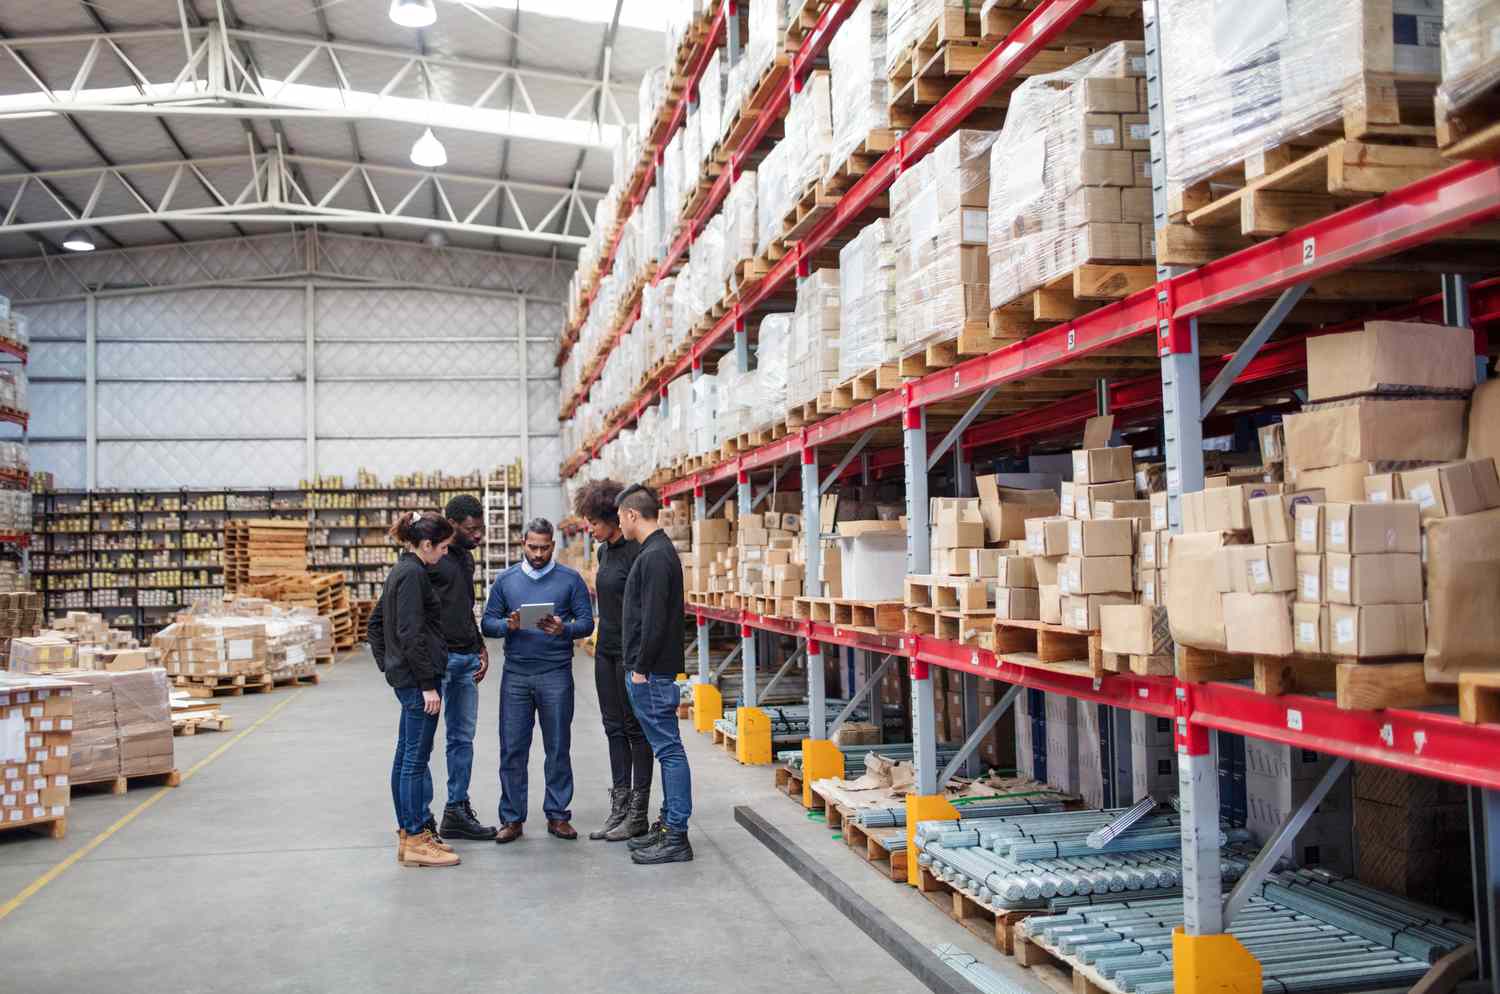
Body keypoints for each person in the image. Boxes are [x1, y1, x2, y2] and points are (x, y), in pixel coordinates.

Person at [481, 517, 594, 843]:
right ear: (523, 544)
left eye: (545, 548)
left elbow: (586, 622)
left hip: (555, 673)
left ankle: (558, 815)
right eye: (533, 547)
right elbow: (488, 624)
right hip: (516, 674)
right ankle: (512, 818)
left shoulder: (570, 580)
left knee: (557, 746)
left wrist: (565, 629)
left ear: (553, 546)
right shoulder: (505, 581)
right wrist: (509, 626)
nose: (539, 554)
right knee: (513, 748)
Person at [368, 510, 461, 869]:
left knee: (406, 756)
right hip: (418, 683)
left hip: (406, 678)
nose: (445, 554)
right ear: (426, 544)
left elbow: (376, 624)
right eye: (442, 548)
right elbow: (409, 632)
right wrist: (424, 683)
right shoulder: (413, 575)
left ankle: (409, 836)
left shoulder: (402, 570)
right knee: (414, 761)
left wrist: (390, 664)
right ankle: (416, 836)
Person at [616, 484, 693, 865]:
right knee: (667, 750)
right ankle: (668, 826)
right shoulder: (653, 553)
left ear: (632, 515)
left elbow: (655, 620)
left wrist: (642, 668)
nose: (619, 524)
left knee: (669, 750)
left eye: (620, 517)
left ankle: (676, 834)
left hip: (653, 674)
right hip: (650, 671)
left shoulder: (657, 557)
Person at [573, 479, 651, 842]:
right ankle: (619, 807)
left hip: (630, 653)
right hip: (605, 650)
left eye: (594, 520)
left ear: (613, 517)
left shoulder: (638, 552)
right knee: (612, 727)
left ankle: (638, 813)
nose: (590, 527)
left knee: (635, 730)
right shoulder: (603, 553)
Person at [428, 494, 498, 842]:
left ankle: (456, 809)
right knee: (422, 743)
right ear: (452, 525)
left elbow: (464, 607)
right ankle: (420, 820)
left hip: (466, 660)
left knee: (461, 739)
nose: (478, 536)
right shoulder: (432, 560)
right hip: (438, 664)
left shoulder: (466, 559)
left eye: (481, 529)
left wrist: (480, 646)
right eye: (471, 530)